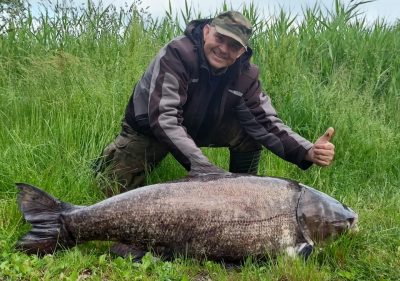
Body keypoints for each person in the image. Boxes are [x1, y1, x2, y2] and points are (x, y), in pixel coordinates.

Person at [95, 11, 335, 195]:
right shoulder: (177, 54)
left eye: (234, 46)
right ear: (207, 31)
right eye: (220, 38)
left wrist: (308, 151)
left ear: (242, 52)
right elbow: (164, 119)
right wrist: (204, 169)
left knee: (251, 132)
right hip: (150, 130)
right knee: (110, 190)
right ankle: (108, 161)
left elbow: (266, 122)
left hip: (200, 127)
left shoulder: (246, 75)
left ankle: (241, 193)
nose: (223, 49)